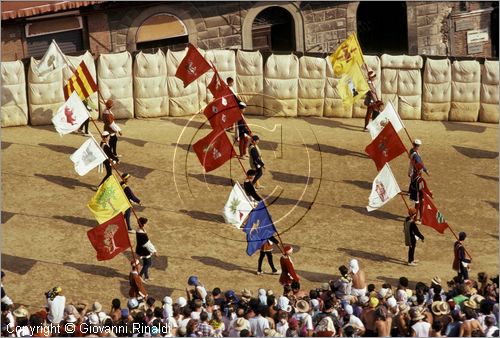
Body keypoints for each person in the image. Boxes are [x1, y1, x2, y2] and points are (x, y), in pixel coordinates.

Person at [135, 217, 157, 282]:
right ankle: (140, 276)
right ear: (143, 224)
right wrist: (154, 251)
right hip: (144, 251)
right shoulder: (142, 234)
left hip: (140, 249)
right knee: (148, 264)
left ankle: (146, 277)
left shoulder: (138, 230)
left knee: (145, 264)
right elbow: (147, 244)